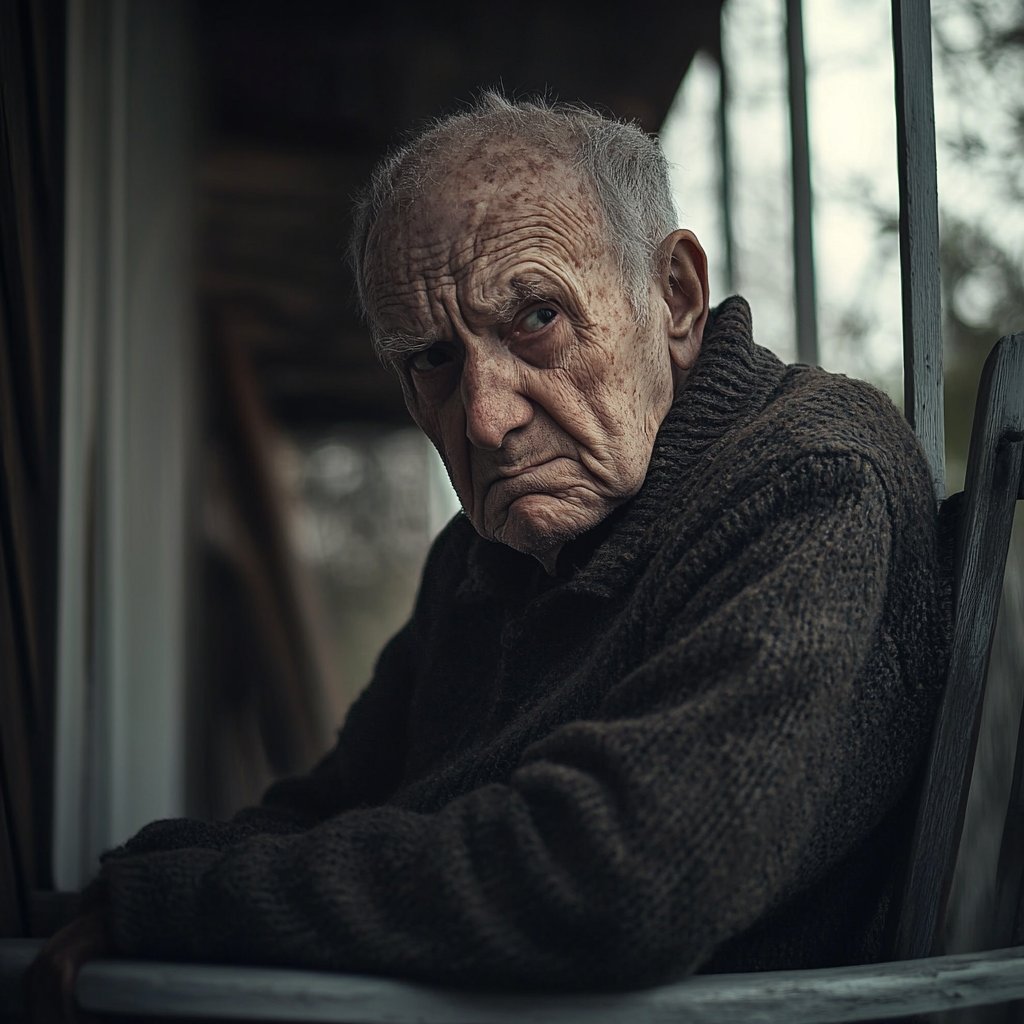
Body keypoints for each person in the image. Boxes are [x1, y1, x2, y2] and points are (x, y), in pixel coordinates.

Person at [31, 91, 950, 1014]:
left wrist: (187, 904)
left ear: (672, 297)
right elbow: (340, 806)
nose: (485, 417)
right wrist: (134, 887)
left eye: (536, 320)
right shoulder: (485, 550)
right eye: (432, 359)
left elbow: (620, 877)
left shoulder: (812, 478)